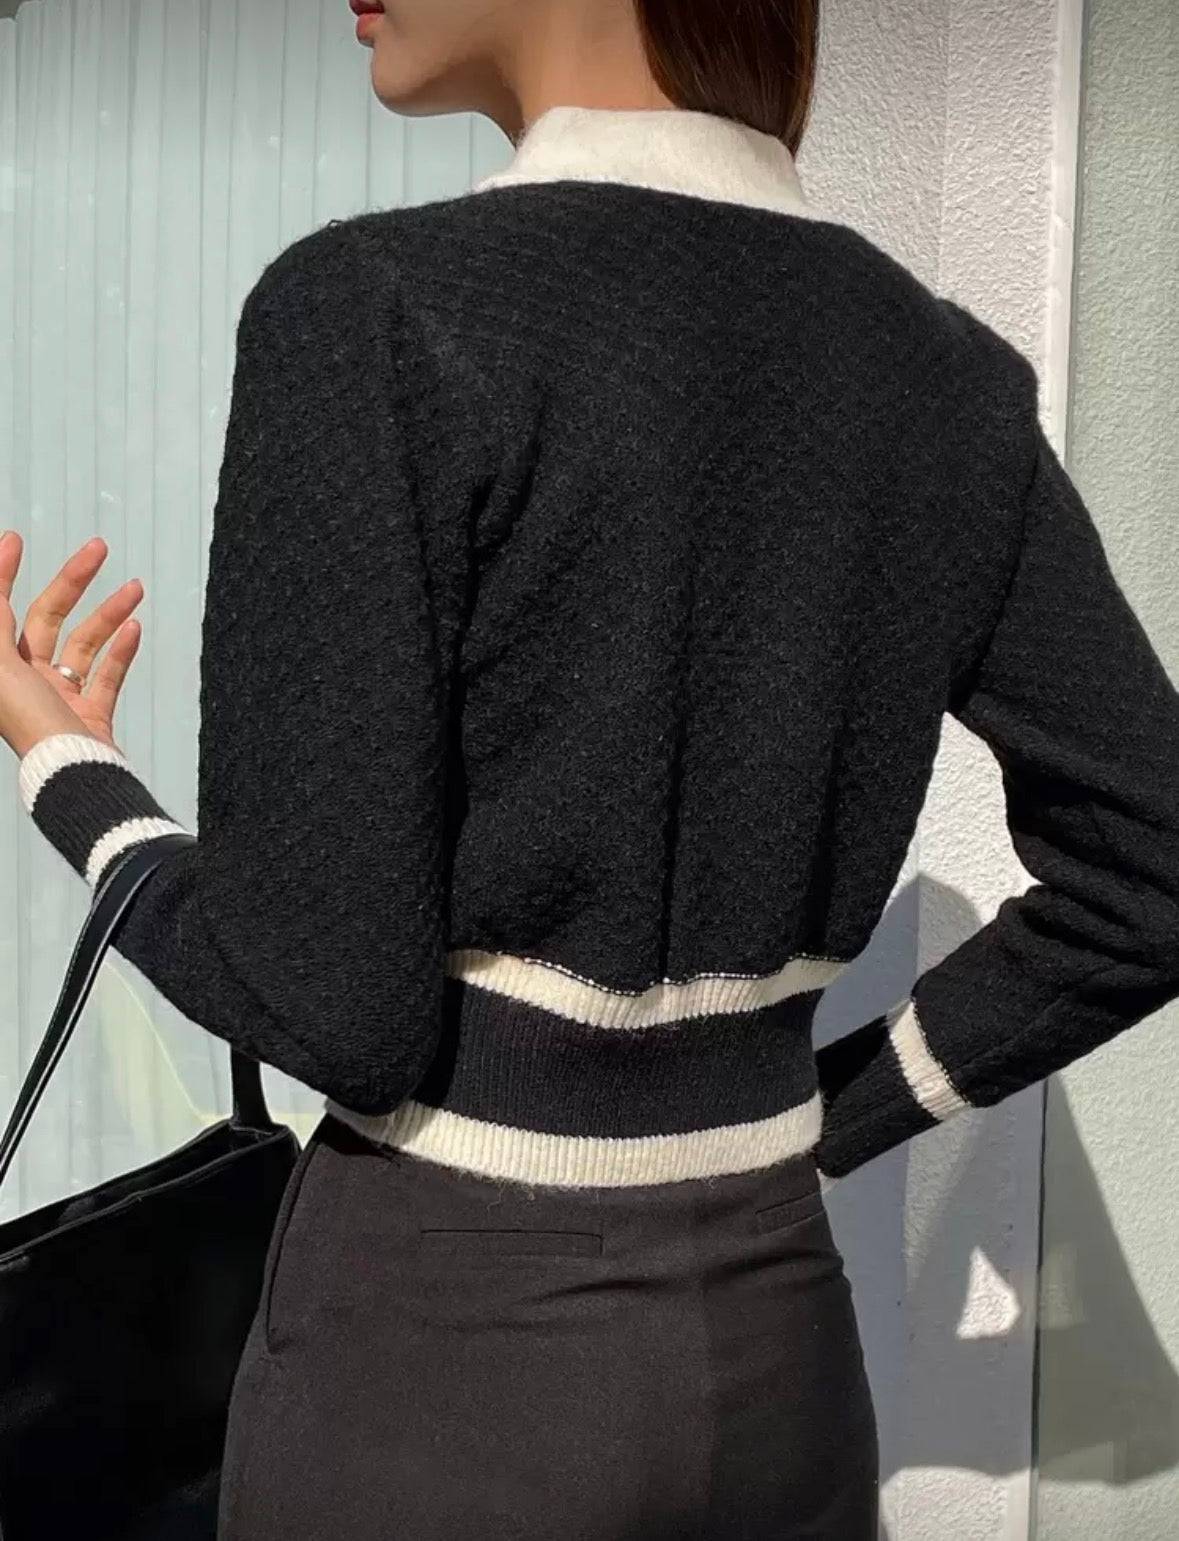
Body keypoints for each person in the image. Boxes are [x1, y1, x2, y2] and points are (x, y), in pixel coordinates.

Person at [1, 0, 1177, 1535]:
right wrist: (816, 1117)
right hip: (780, 1362)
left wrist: (71, 772)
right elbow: (1153, 867)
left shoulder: (379, 310)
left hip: (434, 1372)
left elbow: (332, 1010)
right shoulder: (948, 377)